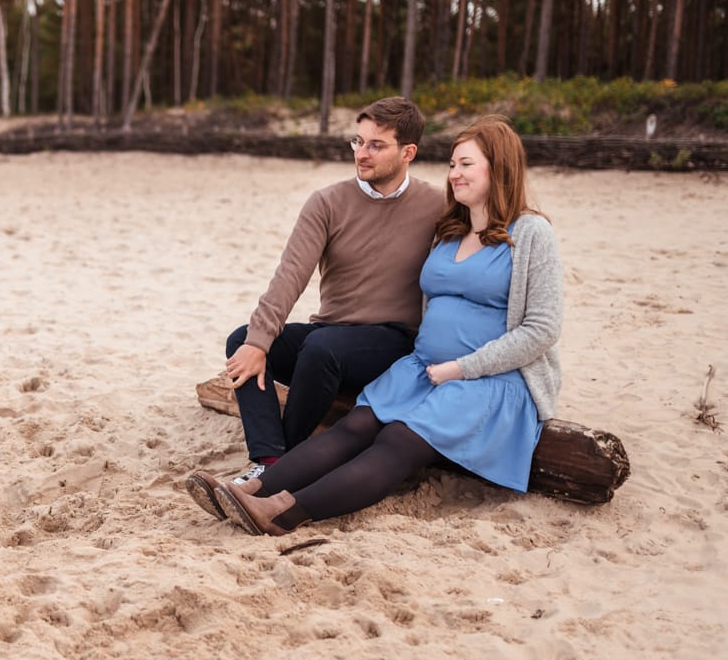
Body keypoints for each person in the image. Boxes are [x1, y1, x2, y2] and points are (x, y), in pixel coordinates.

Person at [187, 115, 563, 536]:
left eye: (466, 165)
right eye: (452, 164)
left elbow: (542, 330)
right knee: (356, 426)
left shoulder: (531, 232)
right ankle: (254, 487)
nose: (454, 174)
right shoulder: (449, 231)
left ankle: (282, 512)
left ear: (500, 167)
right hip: (422, 369)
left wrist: (461, 368)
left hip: (487, 381)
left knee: (396, 440)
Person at [217, 96, 442, 487]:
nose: (362, 153)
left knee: (323, 350)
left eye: (376, 145)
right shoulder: (327, 202)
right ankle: (270, 458)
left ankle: (279, 473)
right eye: (358, 142)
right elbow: (290, 274)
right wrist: (258, 341)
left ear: (408, 152)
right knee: (243, 339)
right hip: (331, 333)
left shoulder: (437, 206)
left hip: (392, 341)